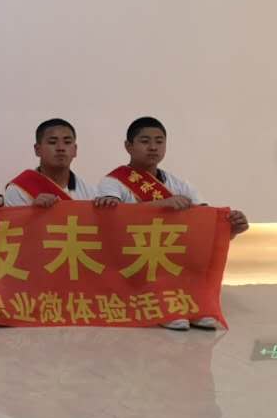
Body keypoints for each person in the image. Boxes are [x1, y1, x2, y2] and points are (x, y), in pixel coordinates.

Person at [98, 116, 249, 330]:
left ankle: (192, 305)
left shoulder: (180, 185)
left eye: (159, 141)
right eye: (145, 141)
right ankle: (163, 306)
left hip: (172, 255)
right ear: (128, 146)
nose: (153, 147)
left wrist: (230, 228)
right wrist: (160, 205)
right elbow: (111, 222)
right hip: (133, 257)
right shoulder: (112, 183)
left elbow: (203, 226)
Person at [4, 118, 119, 207]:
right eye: (52, 142)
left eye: (67, 142)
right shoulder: (18, 190)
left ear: (75, 150)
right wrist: (32, 212)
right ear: (37, 149)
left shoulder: (91, 194)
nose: (61, 148)